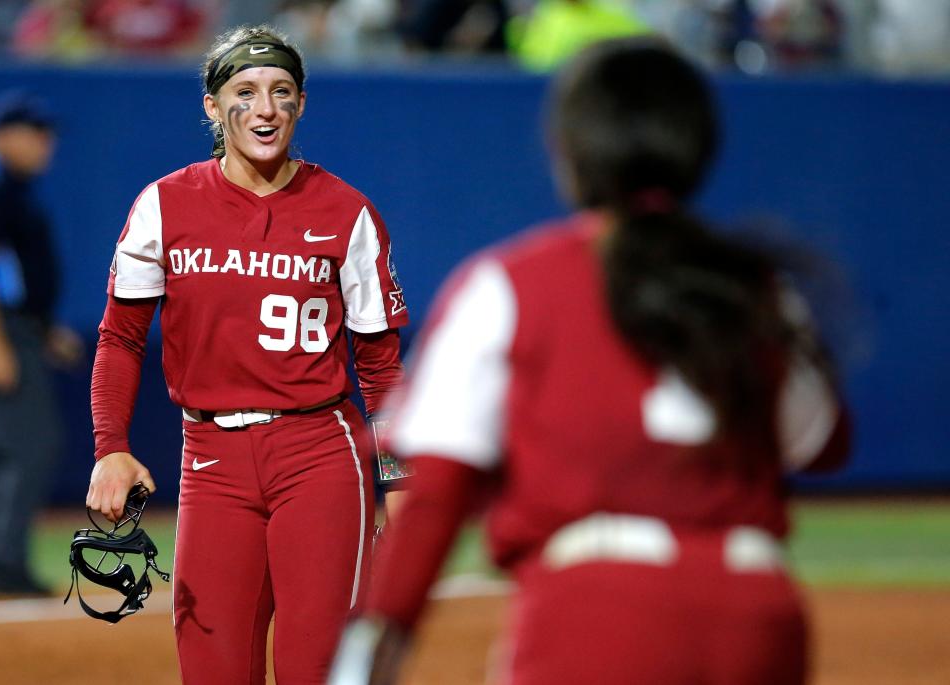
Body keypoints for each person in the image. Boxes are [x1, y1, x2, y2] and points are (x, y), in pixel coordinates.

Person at [328, 38, 851, 685]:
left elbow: (436, 490)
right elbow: (822, 441)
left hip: (595, 617)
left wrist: (370, 649)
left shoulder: (513, 282)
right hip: (758, 614)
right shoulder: (757, 288)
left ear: (568, 154)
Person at [86, 24, 408, 683]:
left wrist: (400, 477)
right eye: (246, 91)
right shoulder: (164, 205)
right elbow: (120, 336)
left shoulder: (347, 213)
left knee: (315, 666)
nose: (265, 109)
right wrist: (109, 444)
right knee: (213, 666)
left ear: (301, 104)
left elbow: (379, 366)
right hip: (212, 460)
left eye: (282, 91)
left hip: (320, 452)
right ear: (212, 105)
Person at [0, 90, 83, 596]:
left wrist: (44, 331)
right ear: (4, 136)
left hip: (19, 331)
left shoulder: (15, 190)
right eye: (36, 132)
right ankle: (1, 565)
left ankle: (1, 562)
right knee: (29, 445)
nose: (46, 143)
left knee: (10, 446)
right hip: (3, 334)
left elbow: (16, 276)